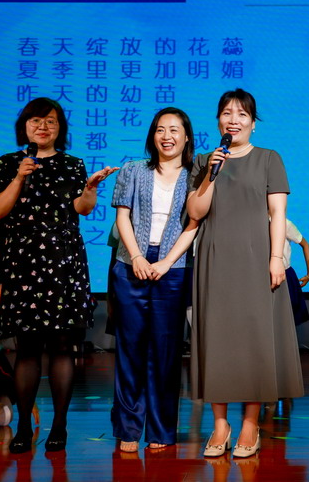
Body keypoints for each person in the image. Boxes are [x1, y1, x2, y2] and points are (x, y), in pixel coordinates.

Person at [0, 97, 117, 453]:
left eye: (51, 121)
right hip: (21, 263)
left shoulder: (73, 164)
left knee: (63, 347)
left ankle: (59, 425)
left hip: (63, 262)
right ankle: (24, 426)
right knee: (27, 348)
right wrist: (19, 177)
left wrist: (90, 189)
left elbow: (82, 209)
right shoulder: (8, 163)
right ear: (24, 126)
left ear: (60, 128)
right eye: (36, 120)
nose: (43, 127)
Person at [188, 88, 304, 459]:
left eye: (242, 114)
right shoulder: (205, 160)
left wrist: (276, 257)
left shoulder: (269, 158)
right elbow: (196, 212)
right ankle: (220, 424)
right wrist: (210, 175)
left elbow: (278, 213)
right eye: (227, 113)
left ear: (253, 123)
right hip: (214, 257)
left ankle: (251, 423)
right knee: (216, 338)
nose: (233, 120)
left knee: (256, 340)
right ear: (218, 120)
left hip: (257, 256)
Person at [110, 107, 199, 453]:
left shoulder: (196, 175)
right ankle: (128, 428)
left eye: (175, 130)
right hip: (129, 263)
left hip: (174, 267)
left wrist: (166, 262)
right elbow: (123, 217)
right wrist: (136, 257)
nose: (167, 136)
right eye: (161, 130)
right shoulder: (133, 170)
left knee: (165, 352)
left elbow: (193, 225)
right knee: (130, 349)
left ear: (187, 137)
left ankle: (161, 429)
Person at [284, 218, 309, 326]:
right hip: (261, 276)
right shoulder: (255, 222)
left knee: (289, 320)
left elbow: (305, 244)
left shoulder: (285, 224)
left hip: (285, 275)